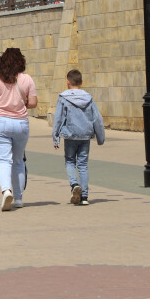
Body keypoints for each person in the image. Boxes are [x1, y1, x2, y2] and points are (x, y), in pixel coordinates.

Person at [0, 47, 37, 212]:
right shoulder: (27, 79)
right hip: (20, 123)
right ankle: (19, 198)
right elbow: (33, 103)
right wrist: (22, 102)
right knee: (18, 161)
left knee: (2, 160)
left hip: (0, 122)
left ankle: (6, 191)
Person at [52, 69, 106, 206]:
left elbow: (58, 118)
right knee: (83, 165)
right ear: (81, 82)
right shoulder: (88, 98)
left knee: (70, 161)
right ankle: (84, 197)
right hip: (85, 135)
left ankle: (74, 184)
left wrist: (56, 136)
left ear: (67, 82)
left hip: (70, 134)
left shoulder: (63, 97)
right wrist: (100, 138)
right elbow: (97, 118)